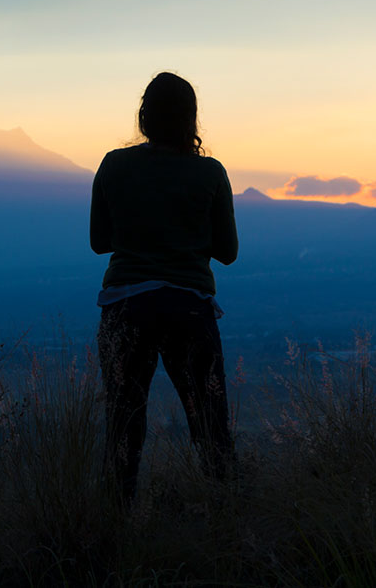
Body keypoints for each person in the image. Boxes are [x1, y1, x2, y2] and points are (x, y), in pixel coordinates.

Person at [90, 71, 238, 503]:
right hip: (187, 307)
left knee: (123, 426)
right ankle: (229, 522)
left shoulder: (114, 165)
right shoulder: (210, 173)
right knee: (211, 427)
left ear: (143, 117)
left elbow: (100, 242)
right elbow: (227, 252)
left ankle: (112, 531)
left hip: (125, 305)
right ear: (192, 120)